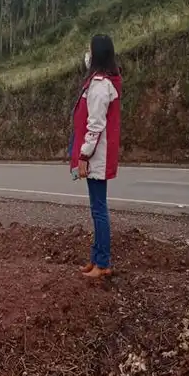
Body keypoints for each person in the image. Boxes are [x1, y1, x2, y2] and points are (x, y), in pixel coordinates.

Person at [69, 34, 123, 279]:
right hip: (96, 156)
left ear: (97, 55)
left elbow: (95, 126)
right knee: (96, 209)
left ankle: (102, 263)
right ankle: (96, 258)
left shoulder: (100, 86)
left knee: (99, 210)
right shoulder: (97, 82)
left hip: (96, 157)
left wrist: (83, 155)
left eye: (89, 50)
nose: (86, 54)